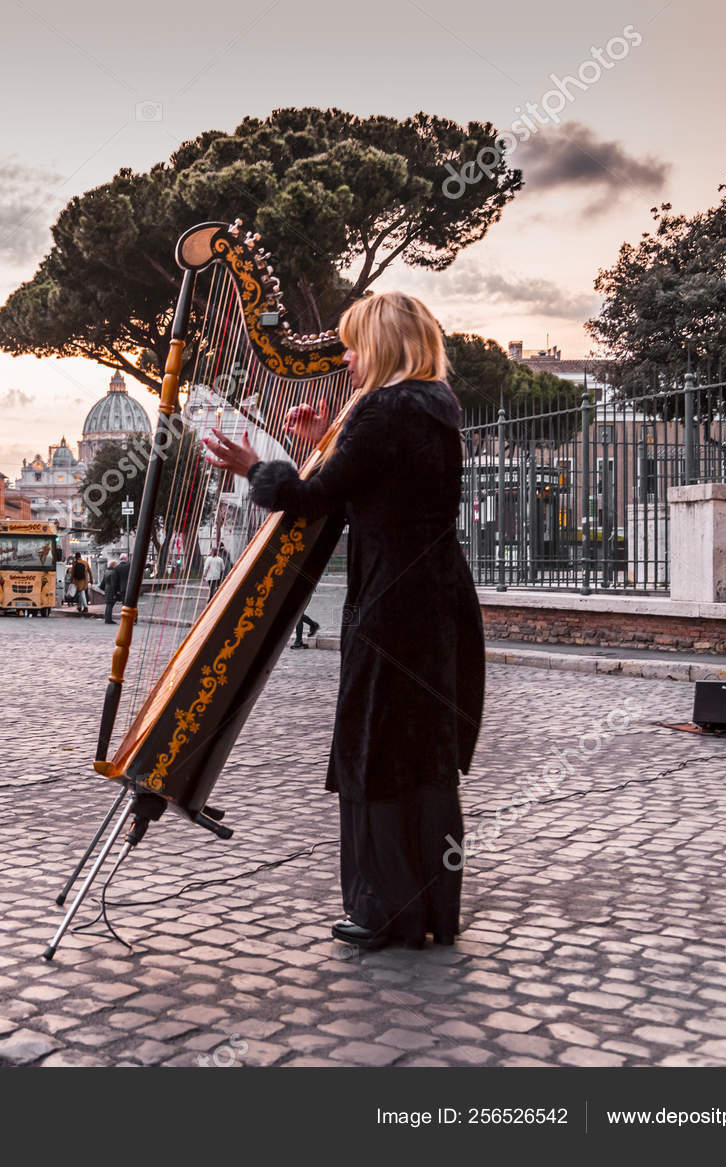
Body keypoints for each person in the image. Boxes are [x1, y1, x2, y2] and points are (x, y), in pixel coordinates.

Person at [202, 290, 485, 952]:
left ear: (383, 345)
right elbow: (369, 488)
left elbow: (308, 499)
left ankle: (382, 909)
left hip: (389, 606)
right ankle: (430, 910)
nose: (348, 358)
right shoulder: (437, 406)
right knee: (425, 757)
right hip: (437, 598)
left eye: (356, 345)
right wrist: (316, 441)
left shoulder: (382, 411)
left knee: (375, 751)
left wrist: (255, 468)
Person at [102, 553, 129, 624]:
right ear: (114, 565)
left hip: (107, 589)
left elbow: (102, 583)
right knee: (110, 605)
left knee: (108, 605)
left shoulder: (106, 572)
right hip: (111, 590)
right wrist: (115, 592)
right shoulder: (113, 572)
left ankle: (107, 619)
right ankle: (108, 620)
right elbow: (114, 582)